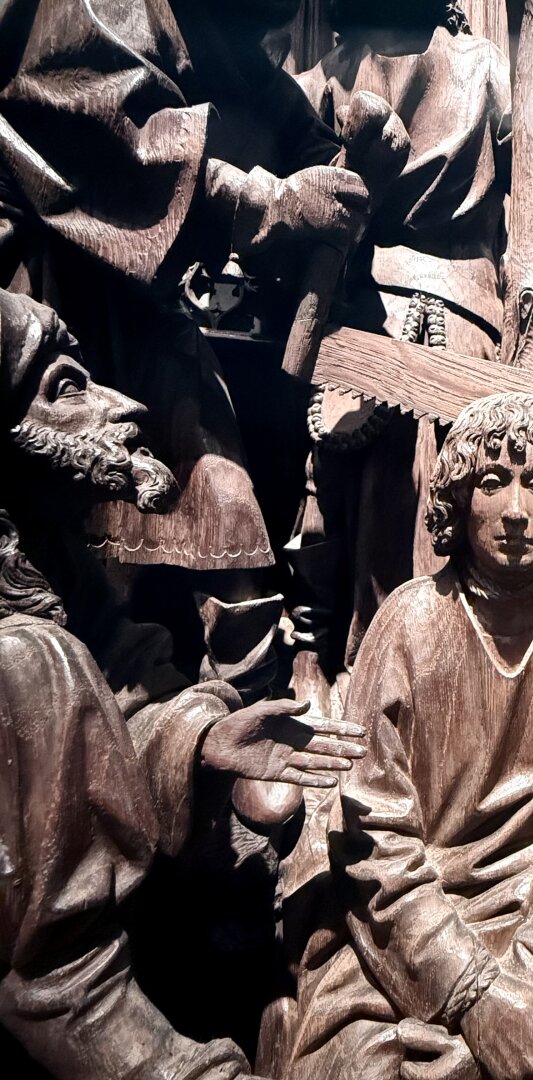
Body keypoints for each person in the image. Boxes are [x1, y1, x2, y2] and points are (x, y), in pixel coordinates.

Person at [0, 290, 366, 1078]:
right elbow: (63, 979)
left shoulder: (48, 555)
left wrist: (199, 738)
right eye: (66, 387)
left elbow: (125, 681)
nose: (123, 405)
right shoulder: (25, 654)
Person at [262, 393, 533, 1080]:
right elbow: (373, 836)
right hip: (406, 941)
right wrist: (471, 997)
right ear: (458, 497)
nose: (515, 510)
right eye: (492, 482)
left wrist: (525, 1000)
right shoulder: (408, 623)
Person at [0, 0, 376, 677]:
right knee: (65, 562)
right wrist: (265, 204)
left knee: (219, 497)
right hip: (40, 296)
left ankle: (243, 698)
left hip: (137, 301)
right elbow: (97, 131)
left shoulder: (214, 29)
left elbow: (273, 113)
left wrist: (348, 168)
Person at [287, 0, 533, 718]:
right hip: (356, 313)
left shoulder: (480, 65)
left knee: (449, 503)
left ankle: (445, 690)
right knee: (340, 498)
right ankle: (335, 667)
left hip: (463, 318)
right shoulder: (326, 76)